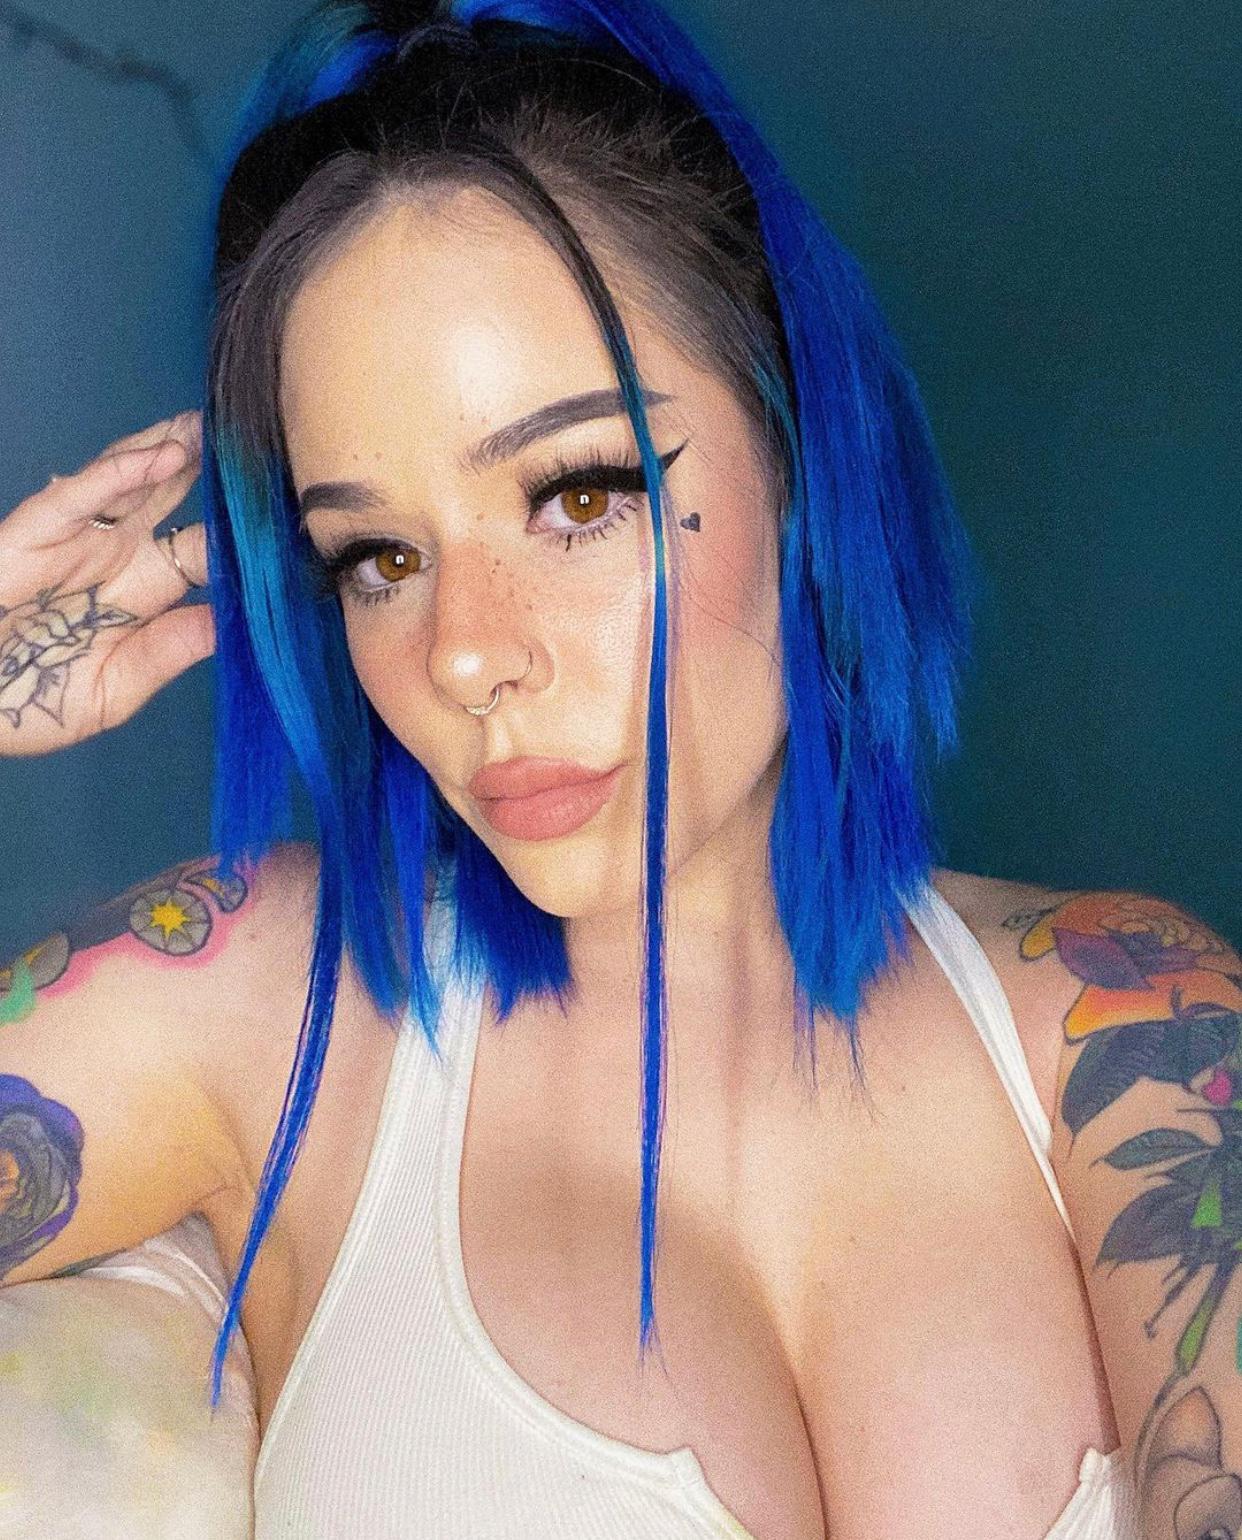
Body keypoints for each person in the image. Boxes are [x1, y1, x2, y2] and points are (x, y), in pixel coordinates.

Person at [1, 1, 1236, 1535]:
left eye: (578, 496)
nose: (466, 654)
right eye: (378, 556)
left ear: (800, 446)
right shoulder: (255, 1001)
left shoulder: (1129, 1024)